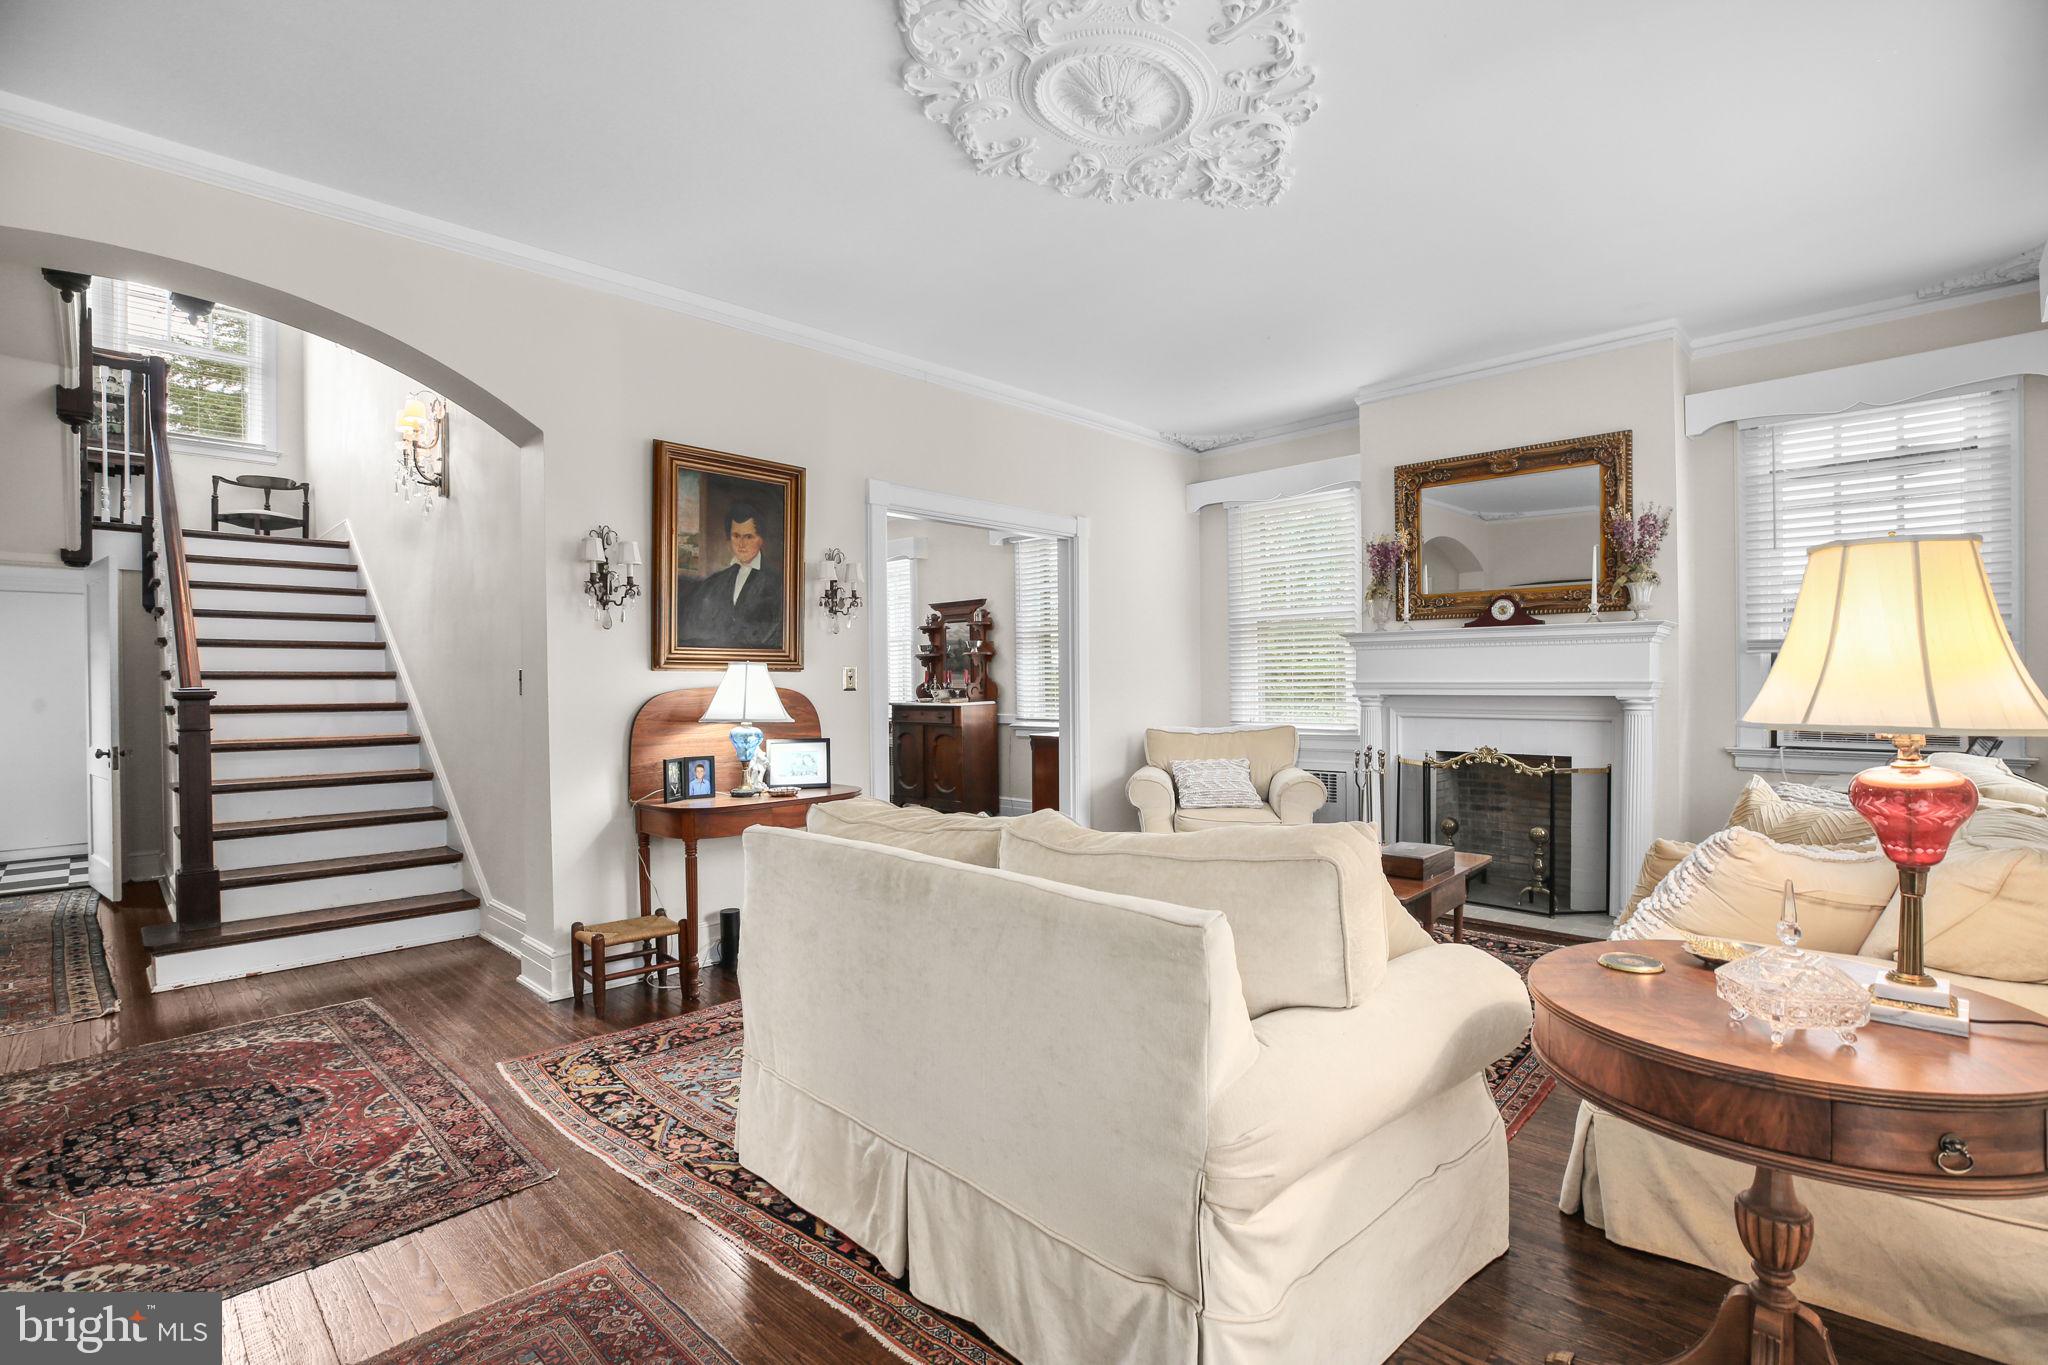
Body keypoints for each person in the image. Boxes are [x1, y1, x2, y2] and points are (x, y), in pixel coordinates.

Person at [679, 501, 783, 648]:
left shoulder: (777, 583)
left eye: (748, 537)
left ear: (761, 539)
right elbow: (695, 629)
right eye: (736, 536)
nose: (741, 544)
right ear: (729, 538)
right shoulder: (714, 582)